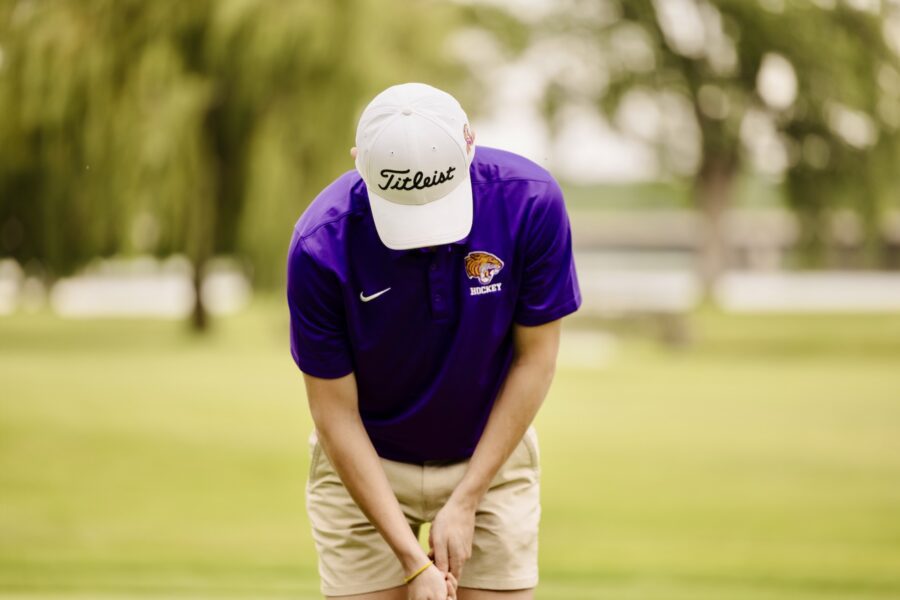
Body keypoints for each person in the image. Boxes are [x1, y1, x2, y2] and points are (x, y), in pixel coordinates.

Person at [286, 82, 581, 600]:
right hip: (364, 463)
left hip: (489, 454)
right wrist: (412, 564)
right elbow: (333, 413)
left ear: (469, 144)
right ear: (359, 164)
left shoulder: (530, 203)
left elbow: (536, 361)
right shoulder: (320, 244)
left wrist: (467, 498)